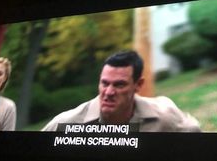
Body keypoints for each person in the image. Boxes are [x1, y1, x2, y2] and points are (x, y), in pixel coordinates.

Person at [42, 50, 200, 132]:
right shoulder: (66, 123)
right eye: (104, 83)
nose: (109, 92)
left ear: (138, 85)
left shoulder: (163, 117)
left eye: (119, 85)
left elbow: (194, 134)